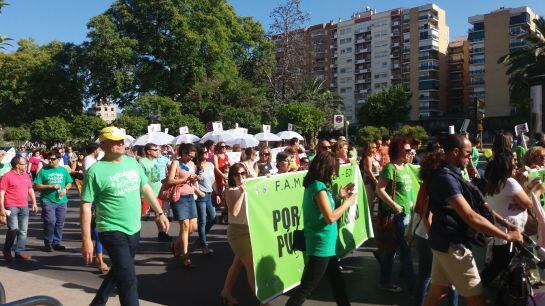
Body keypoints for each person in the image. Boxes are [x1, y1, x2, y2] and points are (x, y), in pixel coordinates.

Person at [424, 134, 523, 306]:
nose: (471, 158)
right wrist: (506, 236)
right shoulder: (445, 178)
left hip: (443, 243)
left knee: (437, 293)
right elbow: (470, 215)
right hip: (453, 246)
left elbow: (480, 207)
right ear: (455, 152)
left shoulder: (452, 175)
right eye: (468, 154)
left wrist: (505, 224)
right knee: (477, 300)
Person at [81, 126, 169, 306]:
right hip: (111, 230)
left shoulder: (132, 163)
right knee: (128, 278)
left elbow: (144, 187)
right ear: (103, 145)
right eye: (115, 142)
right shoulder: (95, 171)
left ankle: (97, 303)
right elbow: (85, 206)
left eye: (121, 141)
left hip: (134, 228)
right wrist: (87, 239)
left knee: (120, 269)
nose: (121, 144)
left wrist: (159, 212)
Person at [286, 151, 357, 305]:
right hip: (321, 245)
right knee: (305, 289)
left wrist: (340, 196)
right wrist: (347, 203)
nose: (334, 174)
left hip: (326, 246)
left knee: (338, 284)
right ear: (325, 168)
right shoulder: (318, 186)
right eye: (333, 170)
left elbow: (324, 209)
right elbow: (330, 217)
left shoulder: (318, 185)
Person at [480, 150, 541, 286]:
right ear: (507, 166)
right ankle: (475, 292)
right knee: (497, 266)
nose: (516, 166)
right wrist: (539, 189)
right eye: (514, 163)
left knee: (502, 265)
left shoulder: (498, 181)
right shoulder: (509, 182)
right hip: (508, 233)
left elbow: (517, 199)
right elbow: (528, 203)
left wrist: (529, 185)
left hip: (502, 230)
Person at [375, 136, 415, 293]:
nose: (409, 152)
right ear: (398, 151)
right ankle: (412, 284)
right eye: (406, 150)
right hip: (396, 216)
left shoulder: (405, 167)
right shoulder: (389, 168)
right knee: (404, 250)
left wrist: (410, 203)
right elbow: (380, 189)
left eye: (410, 150)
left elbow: (407, 189)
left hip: (406, 214)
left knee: (392, 249)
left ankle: (385, 279)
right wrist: (395, 205)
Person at [220, 163, 254, 305]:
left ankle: (225, 292)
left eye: (243, 173)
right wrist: (241, 192)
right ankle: (263, 300)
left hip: (250, 230)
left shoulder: (250, 186)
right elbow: (233, 212)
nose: (240, 177)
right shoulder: (230, 190)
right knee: (251, 267)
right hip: (237, 232)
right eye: (237, 174)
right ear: (232, 176)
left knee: (237, 264)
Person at [34, 150, 73, 252]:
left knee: (60, 222)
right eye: (49, 159)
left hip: (61, 200)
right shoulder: (43, 170)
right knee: (50, 221)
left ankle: (56, 242)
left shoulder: (63, 170)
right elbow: (36, 186)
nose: (50, 161)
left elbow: (69, 182)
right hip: (47, 200)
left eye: (53, 159)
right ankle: (48, 242)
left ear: (59, 159)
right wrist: (50, 186)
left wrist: (66, 189)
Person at [0, 156, 38, 261]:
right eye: (24, 163)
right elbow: (1, 193)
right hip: (11, 206)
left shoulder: (25, 175)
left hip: (24, 206)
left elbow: (30, 189)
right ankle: (7, 250)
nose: (26, 165)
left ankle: (19, 251)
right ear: (17, 165)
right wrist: (2, 208)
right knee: (13, 229)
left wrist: (34, 202)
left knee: (23, 231)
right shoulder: (6, 176)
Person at [168, 143, 199, 267]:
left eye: (192, 157)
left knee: (193, 228)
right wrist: (184, 180)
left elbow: (192, 178)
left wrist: (196, 178)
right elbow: (170, 180)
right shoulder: (176, 163)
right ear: (183, 153)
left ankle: (175, 245)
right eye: (189, 156)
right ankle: (185, 256)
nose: (191, 159)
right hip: (179, 197)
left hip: (191, 197)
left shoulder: (192, 165)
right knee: (185, 227)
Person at [82, 142, 109, 274]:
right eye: (99, 148)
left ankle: (97, 254)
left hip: (98, 199)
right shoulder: (89, 161)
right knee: (97, 231)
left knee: (97, 230)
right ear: (95, 149)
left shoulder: (94, 160)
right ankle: (99, 259)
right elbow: (95, 177)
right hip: (93, 200)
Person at [139, 143, 171, 242]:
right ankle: (133, 235)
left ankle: (161, 233)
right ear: (149, 152)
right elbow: (139, 179)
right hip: (145, 194)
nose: (159, 151)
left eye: (159, 149)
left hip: (157, 193)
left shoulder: (156, 161)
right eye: (156, 150)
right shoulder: (142, 162)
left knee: (159, 214)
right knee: (139, 215)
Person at [195, 145, 216, 255]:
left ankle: (201, 238)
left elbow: (213, 180)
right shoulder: (195, 166)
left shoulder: (211, 165)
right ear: (200, 154)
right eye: (205, 152)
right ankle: (204, 245)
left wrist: (216, 193)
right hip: (201, 197)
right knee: (202, 221)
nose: (208, 153)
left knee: (213, 219)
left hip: (210, 194)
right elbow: (192, 182)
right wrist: (199, 192)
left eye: (208, 151)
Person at [360, 141, 381, 216]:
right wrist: (375, 181)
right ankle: (369, 219)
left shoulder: (373, 157)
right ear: (370, 148)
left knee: (375, 201)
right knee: (370, 201)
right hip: (370, 180)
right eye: (375, 147)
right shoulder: (368, 158)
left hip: (375, 179)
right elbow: (369, 170)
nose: (377, 148)